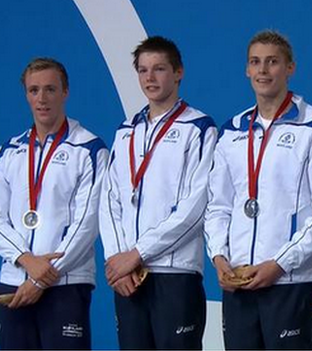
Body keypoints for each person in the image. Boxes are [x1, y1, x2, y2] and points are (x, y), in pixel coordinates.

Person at [204, 30, 312, 350]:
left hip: (289, 280)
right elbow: (219, 204)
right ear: (246, 70)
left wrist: (280, 263)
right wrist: (219, 257)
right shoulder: (232, 131)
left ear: (290, 68)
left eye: (272, 62)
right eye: (255, 62)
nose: (263, 70)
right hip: (239, 279)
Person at [0, 57, 108, 349]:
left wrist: (42, 278)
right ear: (26, 94)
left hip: (65, 284)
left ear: (65, 92)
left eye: (50, 89)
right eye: (34, 90)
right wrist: (26, 260)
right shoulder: (9, 152)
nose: (42, 99)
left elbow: (87, 223)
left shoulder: (88, 149)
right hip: (14, 281)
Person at [99, 36, 217, 350]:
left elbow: (196, 207)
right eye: (143, 70)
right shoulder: (126, 131)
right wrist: (116, 260)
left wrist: (136, 254)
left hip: (175, 273)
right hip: (128, 277)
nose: (150, 78)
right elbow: (109, 200)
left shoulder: (200, 128)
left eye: (159, 69)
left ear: (178, 72)